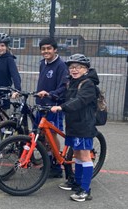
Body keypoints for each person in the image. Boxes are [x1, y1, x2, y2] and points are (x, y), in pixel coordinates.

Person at [51, 54, 99, 202]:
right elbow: (65, 96)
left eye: (78, 67)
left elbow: (80, 101)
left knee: (84, 156)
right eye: (72, 67)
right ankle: (77, 183)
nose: (74, 69)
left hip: (84, 126)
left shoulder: (88, 84)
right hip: (73, 124)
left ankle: (85, 190)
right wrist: (49, 96)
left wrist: (61, 107)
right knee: (77, 155)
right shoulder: (73, 82)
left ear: (86, 69)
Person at [35, 37, 69, 178]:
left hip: (54, 105)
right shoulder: (43, 63)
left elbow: (63, 86)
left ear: (55, 49)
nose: (46, 51)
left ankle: (56, 165)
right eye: (43, 49)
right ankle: (48, 160)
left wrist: (51, 94)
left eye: (49, 48)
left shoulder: (61, 65)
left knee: (52, 135)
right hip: (41, 104)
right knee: (42, 135)